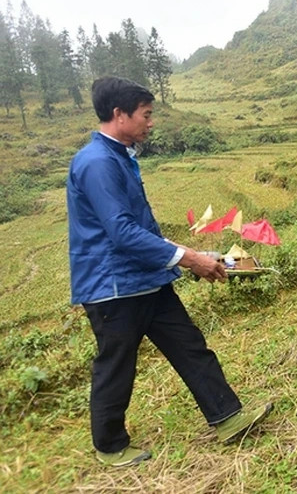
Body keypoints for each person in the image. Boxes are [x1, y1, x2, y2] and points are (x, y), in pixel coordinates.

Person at [66, 77, 272, 467]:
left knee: (190, 345)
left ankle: (228, 418)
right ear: (119, 114)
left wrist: (191, 255)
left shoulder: (120, 156)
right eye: (146, 115)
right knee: (117, 364)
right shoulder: (96, 163)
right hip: (114, 286)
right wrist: (189, 258)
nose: (151, 123)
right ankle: (110, 446)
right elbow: (122, 232)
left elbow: (140, 229)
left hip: (145, 279)